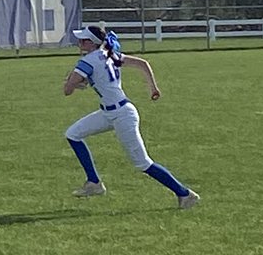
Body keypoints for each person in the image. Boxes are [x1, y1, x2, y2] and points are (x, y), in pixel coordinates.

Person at [63, 23, 199, 208]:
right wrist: (153, 87)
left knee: (143, 163)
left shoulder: (87, 61)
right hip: (111, 111)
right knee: (73, 134)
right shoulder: (109, 54)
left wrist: (73, 81)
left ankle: (185, 194)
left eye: (83, 40)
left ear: (91, 43)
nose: (79, 42)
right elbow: (143, 64)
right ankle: (94, 183)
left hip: (121, 115)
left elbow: (67, 90)